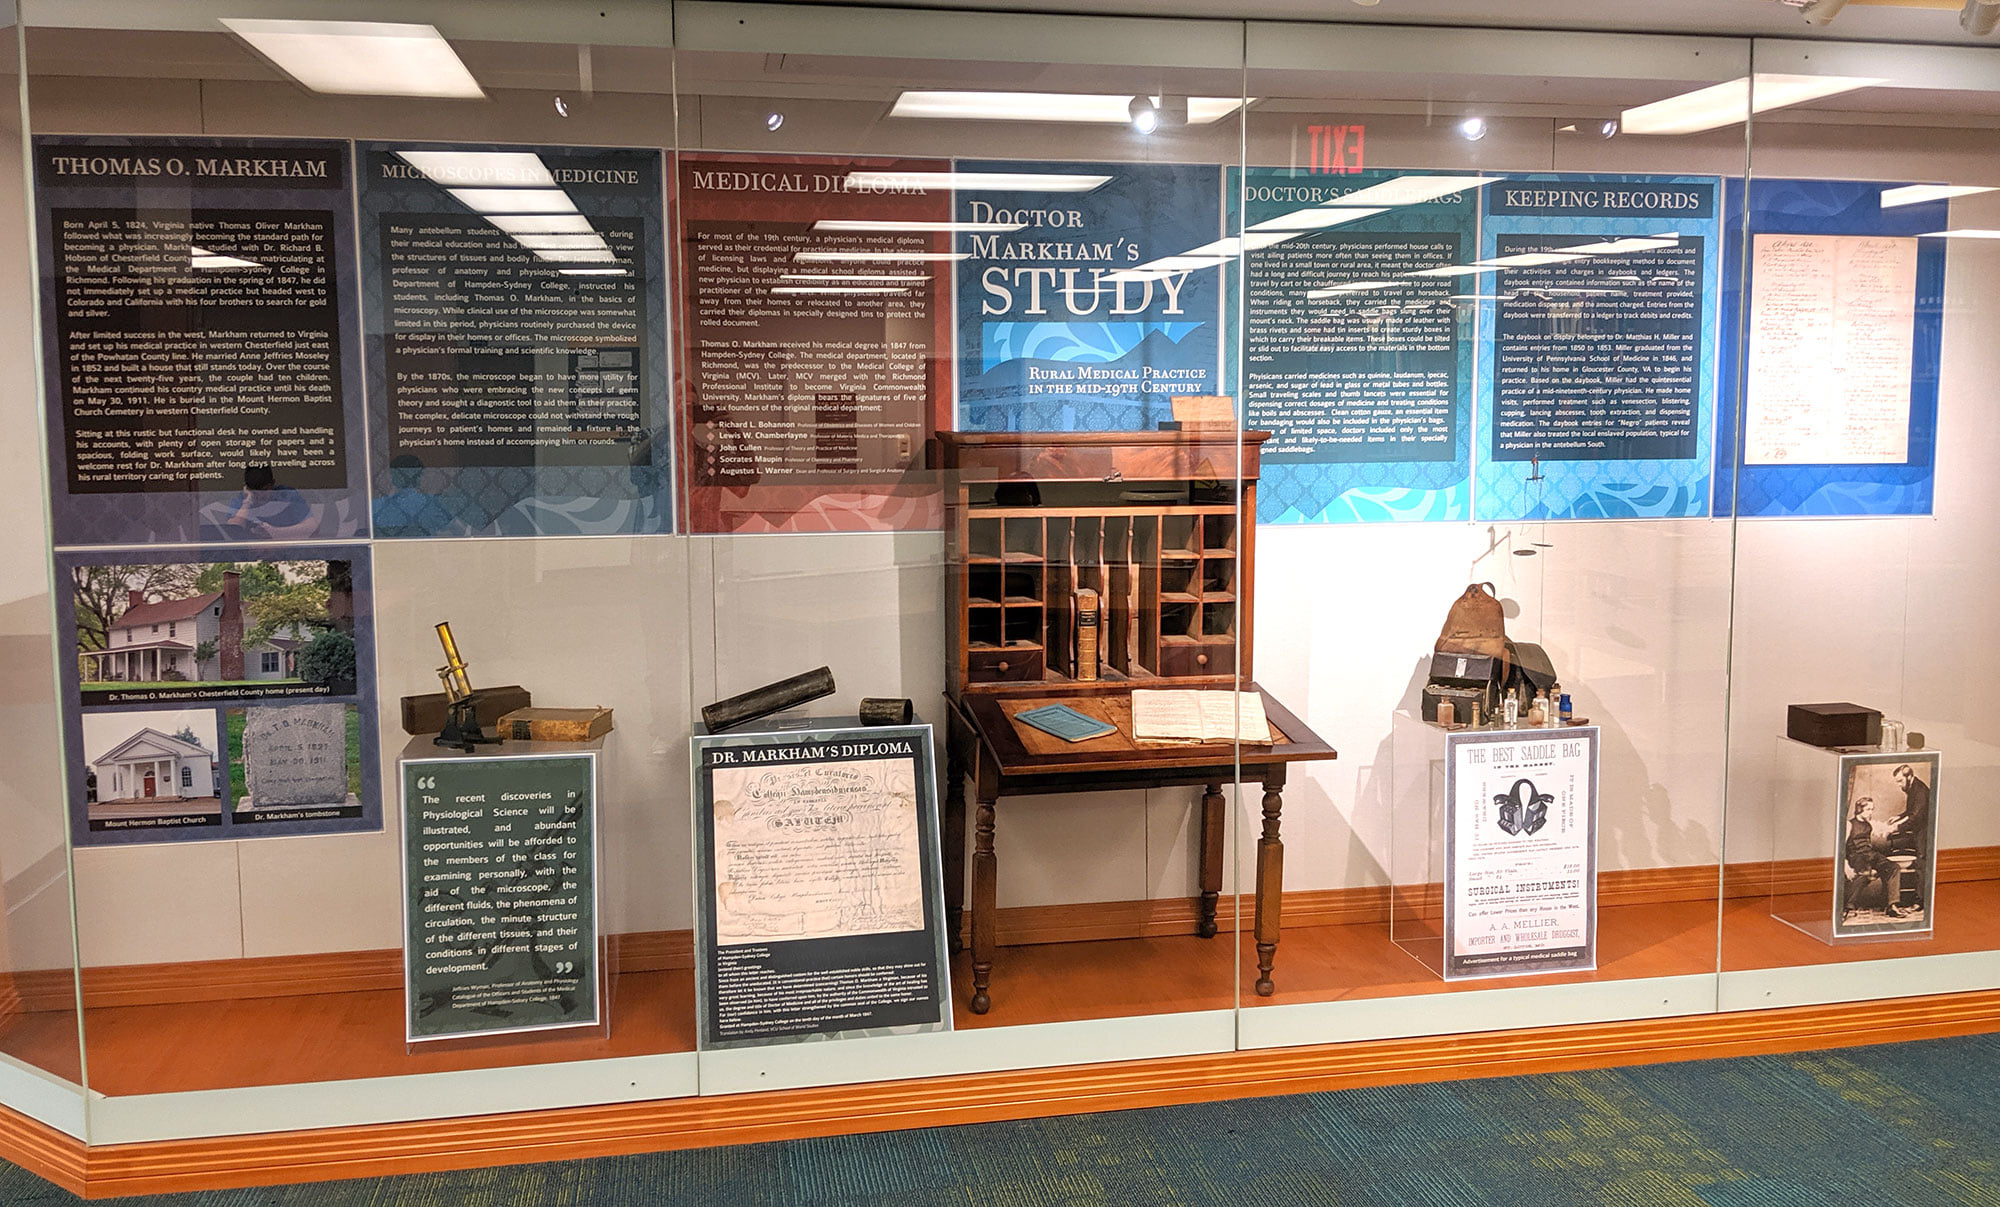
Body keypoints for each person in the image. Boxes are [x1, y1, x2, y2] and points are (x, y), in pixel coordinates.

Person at [1843, 797, 1904, 921]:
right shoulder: (1849, 825)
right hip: (1856, 857)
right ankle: (1848, 907)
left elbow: (1884, 829)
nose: (1871, 812)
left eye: (1872, 809)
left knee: (1893, 867)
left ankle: (1892, 905)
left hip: (1871, 855)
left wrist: (1897, 825)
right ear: (1860, 809)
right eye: (1868, 809)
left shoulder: (1869, 823)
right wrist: (1845, 866)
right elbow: (1840, 848)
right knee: (1866, 874)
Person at [1887, 763, 1930, 853]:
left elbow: (1916, 817)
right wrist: (1899, 817)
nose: (1899, 785)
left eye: (1900, 781)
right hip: (1919, 828)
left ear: (1909, 777)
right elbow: (1911, 811)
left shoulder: (1920, 790)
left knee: (1921, 856)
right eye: (1897, 782)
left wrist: (1897, 827)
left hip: (1925, 830)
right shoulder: (1912, 786)